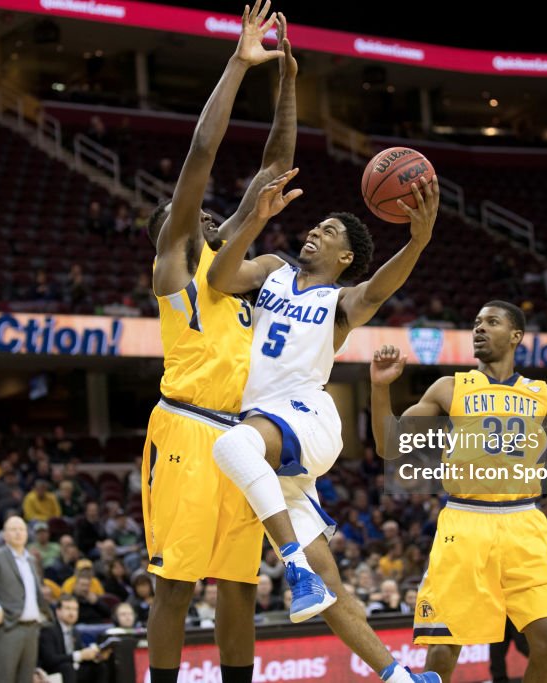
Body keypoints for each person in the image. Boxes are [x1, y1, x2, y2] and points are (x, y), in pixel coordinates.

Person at [206, 169, 440, 683]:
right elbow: (220, 279)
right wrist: (254, 219)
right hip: (271, 436)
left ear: (346, 259)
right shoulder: (270, 269)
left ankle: (291, 565)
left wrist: (417, 242)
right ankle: (401, 678)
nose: (315, 231)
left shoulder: (340, 302)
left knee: (230, 448)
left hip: (306, 417)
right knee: (329, 585)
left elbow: (380, 289)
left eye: (329, 232)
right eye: (316, 226)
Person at [140, 3, 297, 682]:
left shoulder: (226, 267)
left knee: (239, 585)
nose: (207, 214)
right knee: (176, 587)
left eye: (210, 215)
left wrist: (288, 75)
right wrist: (239, 62)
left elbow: (275, 168)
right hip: (183, 433)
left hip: (238, 435)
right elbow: (201, 157)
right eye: (193, 214)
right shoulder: (176, 264)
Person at [369, 301, 547, 682]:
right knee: (443, 647)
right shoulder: (449, 387)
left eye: (491, 322)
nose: (480, 328)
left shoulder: (542, 394)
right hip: (466, 521)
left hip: (524, 522)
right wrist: (379, 388)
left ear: (516, 336)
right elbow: (389, 446)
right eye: (476, 323)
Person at [0, 515, 51, 683]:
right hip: (8, 627)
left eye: (22, 529)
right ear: (5, 535)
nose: (18, 533)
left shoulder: (30, 559)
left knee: (26, 679)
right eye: (13, 529)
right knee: (5, 679)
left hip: (32, 628)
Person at [38, 594, 111, 683]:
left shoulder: (75, 631)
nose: (72, 613)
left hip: (73, 668)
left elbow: (80, 651)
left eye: (75, 609)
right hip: (54, 669)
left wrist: (96, 656)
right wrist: (79, 655)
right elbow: (50, 659)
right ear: (58, 611)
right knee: (67, 668)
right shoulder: (49, 630)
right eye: (68, 608)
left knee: (100, 667)